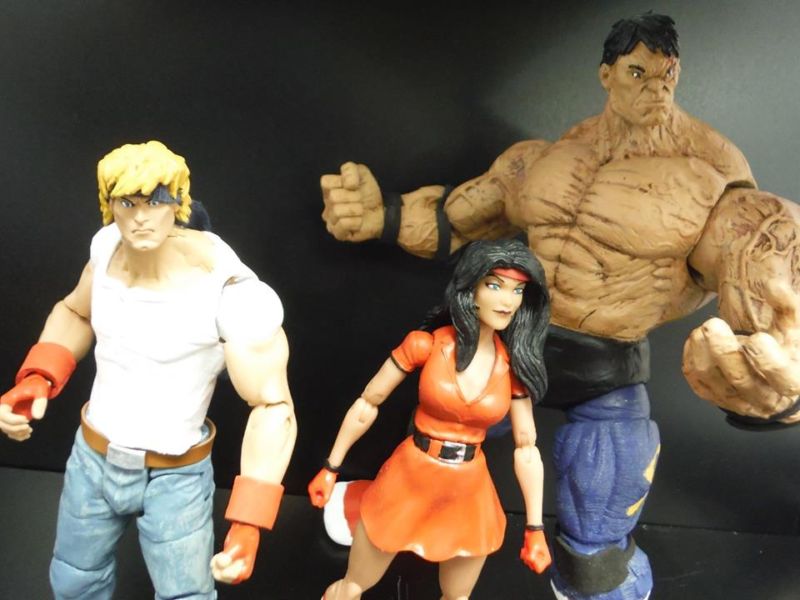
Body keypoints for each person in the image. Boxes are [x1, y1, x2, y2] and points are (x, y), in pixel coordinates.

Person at [319, 11, 800, 600]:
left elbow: (767, 249)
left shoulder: (711, 179)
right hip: (513, 346)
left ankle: (594, 572)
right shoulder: (544, 160)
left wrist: (786, 383)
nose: (655, 89)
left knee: (600, 516)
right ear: (607, 73)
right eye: (639, 73)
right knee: (433, 423)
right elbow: (457, 219)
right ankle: (387, 508)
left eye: (667, 76)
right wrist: (380, 216)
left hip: (606, 366)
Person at [0, 140, 296, 599]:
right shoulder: (105, 252)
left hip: (175, 476)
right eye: (127, 203)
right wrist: (39, 375)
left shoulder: (227, 290)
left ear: (177, 203)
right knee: (74, 580)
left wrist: (249, 520)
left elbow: (273, 407)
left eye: (155, 202)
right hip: (93, 460)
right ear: (109, 205)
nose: (141, 216)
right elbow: (76, 312)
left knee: (186, 594)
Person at [308, 239, 552, 600]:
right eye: (495, 285)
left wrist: (535, 526)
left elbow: (527, 448)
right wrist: (331, 466)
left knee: (457, 597)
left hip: (468, 491)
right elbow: (368, 402)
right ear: (471, 289)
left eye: (517, 290)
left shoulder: (513, 369)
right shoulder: (426, 345)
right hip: (410, 477)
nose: (508, 300)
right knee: (353, 586)